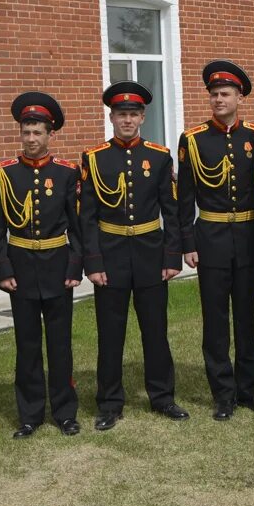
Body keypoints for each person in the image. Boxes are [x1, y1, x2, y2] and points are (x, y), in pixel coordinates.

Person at [81, 81, 188, 430]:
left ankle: (162, 397)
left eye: (133, 114)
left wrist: (172, 258)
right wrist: (93, 263)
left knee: (155, 331)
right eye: (120, 114)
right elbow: (87, 217)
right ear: (111, 117)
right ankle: (110, 403)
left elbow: (170, 211)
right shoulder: (94, 158)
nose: (127, 120)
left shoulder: (158, 157)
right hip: (110, 257)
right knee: (110, 334)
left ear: (142, 117)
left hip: (149, 254)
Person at [178, 61, 254, 421]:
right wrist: (188, 242)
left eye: (225, 94)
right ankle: (223, 394)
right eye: (214, 94)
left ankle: (251, 390)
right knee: (215, 321)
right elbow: (184, 197)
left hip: (248, 238)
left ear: (239, 98)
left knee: (246, 319)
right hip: (211, 238)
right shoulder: (193, 139)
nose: (219, 99)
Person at [0, 92, 83, 438]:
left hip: (57, 265)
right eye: (26, 132)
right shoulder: (4, 173)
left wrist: (75, 267)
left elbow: (78, 227)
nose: (31, 139)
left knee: (60, 344)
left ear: (50, 135)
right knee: (27, 345)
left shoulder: (67, 173)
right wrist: (3, 269)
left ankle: (65, 412)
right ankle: (29, 415)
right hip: (22, 267)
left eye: (38, 132)